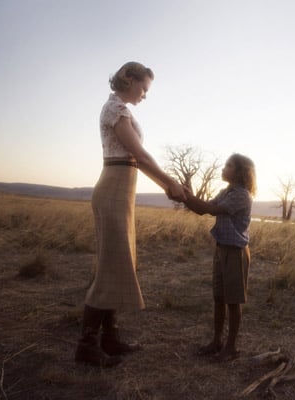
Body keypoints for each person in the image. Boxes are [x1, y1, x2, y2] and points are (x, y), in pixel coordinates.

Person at [75, 61, 187, 367]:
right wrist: (169, 182)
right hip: (113, 190)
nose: (145, 95)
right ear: (129, 79)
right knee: (110, 266)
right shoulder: (115, 109)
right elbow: (139, 154)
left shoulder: (121, 109)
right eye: (144, 88)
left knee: (119, 263)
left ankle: (109, 339)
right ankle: (86, 346)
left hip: (121, 192)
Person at [183, 153, 256, 362]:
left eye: (228, 165)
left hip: (235, 251)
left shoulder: (241, 194)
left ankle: (230, 348)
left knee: (233, 302)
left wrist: (185, 195)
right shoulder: (226, 191)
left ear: (240, 172)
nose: (224, 168)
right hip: (222, 249)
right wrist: (183, 196)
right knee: (219, 299)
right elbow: (202, 210)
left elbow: (211, 210)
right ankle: (216, 342)